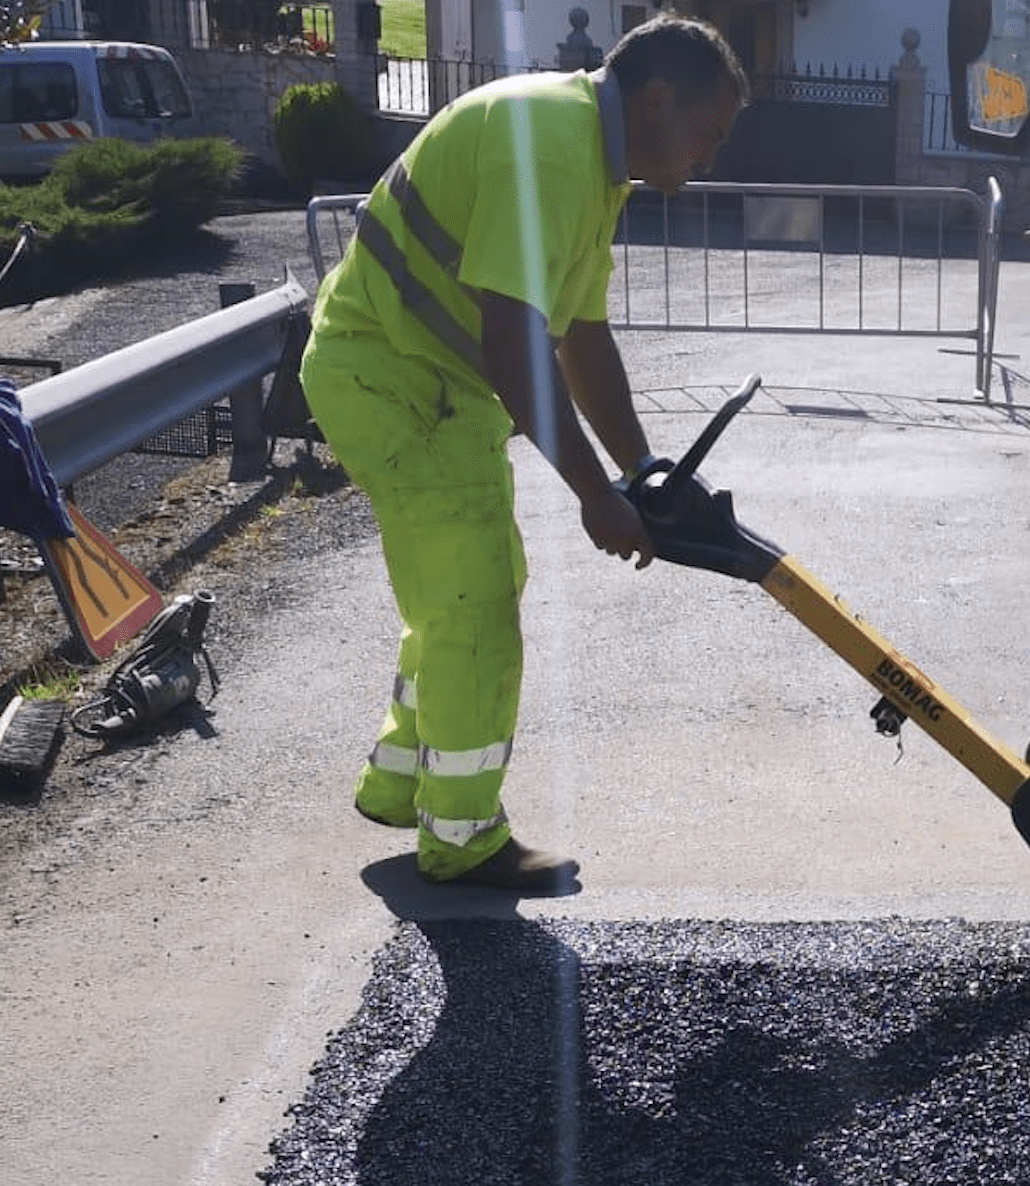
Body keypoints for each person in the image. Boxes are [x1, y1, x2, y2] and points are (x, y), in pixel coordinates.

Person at [299, 15, 746, 891]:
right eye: (709, 132)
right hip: (390, 380)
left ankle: (401, 785)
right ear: (656, 101)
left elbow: (581, 338)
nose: (710, 157)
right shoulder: (550, 146)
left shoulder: (592, 159)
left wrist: (644, 476)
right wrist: (593, 494)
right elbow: (515, 343)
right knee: (476, 611)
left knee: (467, 584)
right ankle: (462, 842)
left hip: (427, 384)